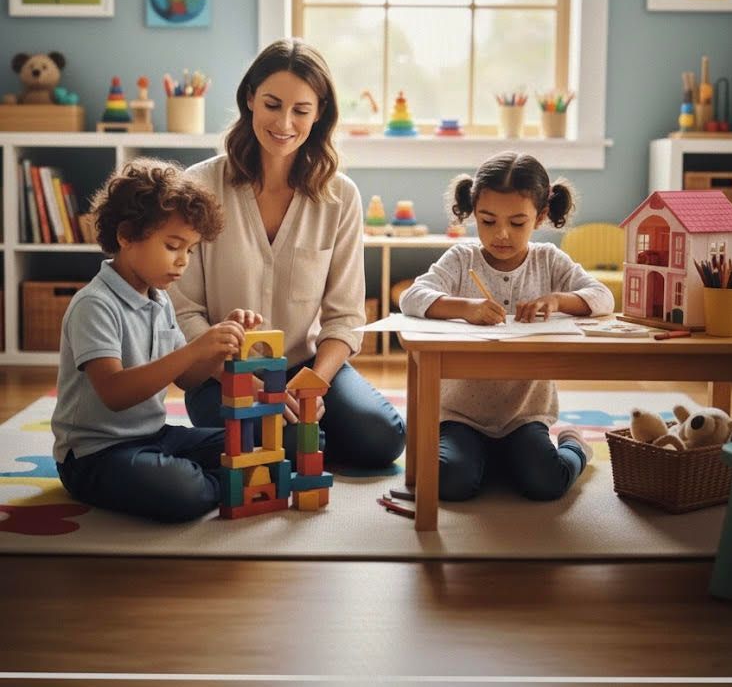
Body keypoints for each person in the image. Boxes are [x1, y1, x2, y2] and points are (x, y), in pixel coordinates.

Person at [169, 37, 405, 469]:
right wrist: (249, 387)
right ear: (250, 100)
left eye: (301, 110)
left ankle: (300, 440)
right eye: (273, 105)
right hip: (220, 373)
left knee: (383, 439)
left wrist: (312, 383)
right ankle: (295, 444)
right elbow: (184, 312)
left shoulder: (341, 197)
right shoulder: (200, 185)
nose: (284, 123)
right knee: (273, 444)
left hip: (307, 366)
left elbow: (345, 316)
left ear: (319, 115)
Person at [52, 158, 263, 523]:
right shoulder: (94, 304)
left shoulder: (159, 299)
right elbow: (115, 393)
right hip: (95, 455)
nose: (183, 261)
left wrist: (218, 348)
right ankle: (229, 483)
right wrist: (195, 348)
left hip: (153, 436)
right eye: (172, 246)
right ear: (126, 235)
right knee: (182, 489)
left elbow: (186, 379)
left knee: (251, 441)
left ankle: (229, 476)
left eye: (190, 250)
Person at [399, 150, 615, 503]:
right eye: (487, 221)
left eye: (517, 223)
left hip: (524, 416)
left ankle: (574, 444)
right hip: (460, 416)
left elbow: (603, 296)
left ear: (541, 216)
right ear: (472, 214)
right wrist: (465, 307)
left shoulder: (548, 260)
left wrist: (558, 300)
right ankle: (489, 461)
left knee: (547, 483)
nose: (501, 234)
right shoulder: (461, 258)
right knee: (448, 482)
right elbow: (412, 297)